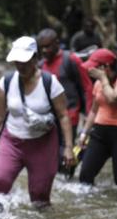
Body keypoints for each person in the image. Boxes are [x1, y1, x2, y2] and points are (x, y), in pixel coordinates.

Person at [0, 36, 75, 209]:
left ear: (35, 58)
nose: (20, 65)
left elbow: (63, 115)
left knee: (40, 197)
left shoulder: (50, 83)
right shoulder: (7, 82)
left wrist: (68, 148)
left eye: (24, 61)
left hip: (43, 143)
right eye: (17, 61)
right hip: (12, 141)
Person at [37, 28, 93, 177]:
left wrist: (88, 114)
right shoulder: (41, 65)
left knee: (65, 153)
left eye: (48, 46)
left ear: (57, 44)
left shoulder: (71, 60)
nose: (44, 50)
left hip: (70, 115)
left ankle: (68, 177)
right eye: (41, 47)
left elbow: (87, 87)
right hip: (48, 118)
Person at [78, 49, 117, 188]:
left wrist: (103, 79)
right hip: (99, 133)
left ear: (106, 66)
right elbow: (94, 111)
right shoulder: (98, 84)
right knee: (85, 175)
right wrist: (83, 133)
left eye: (95, 67)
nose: (91, 70)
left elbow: (113, 98)